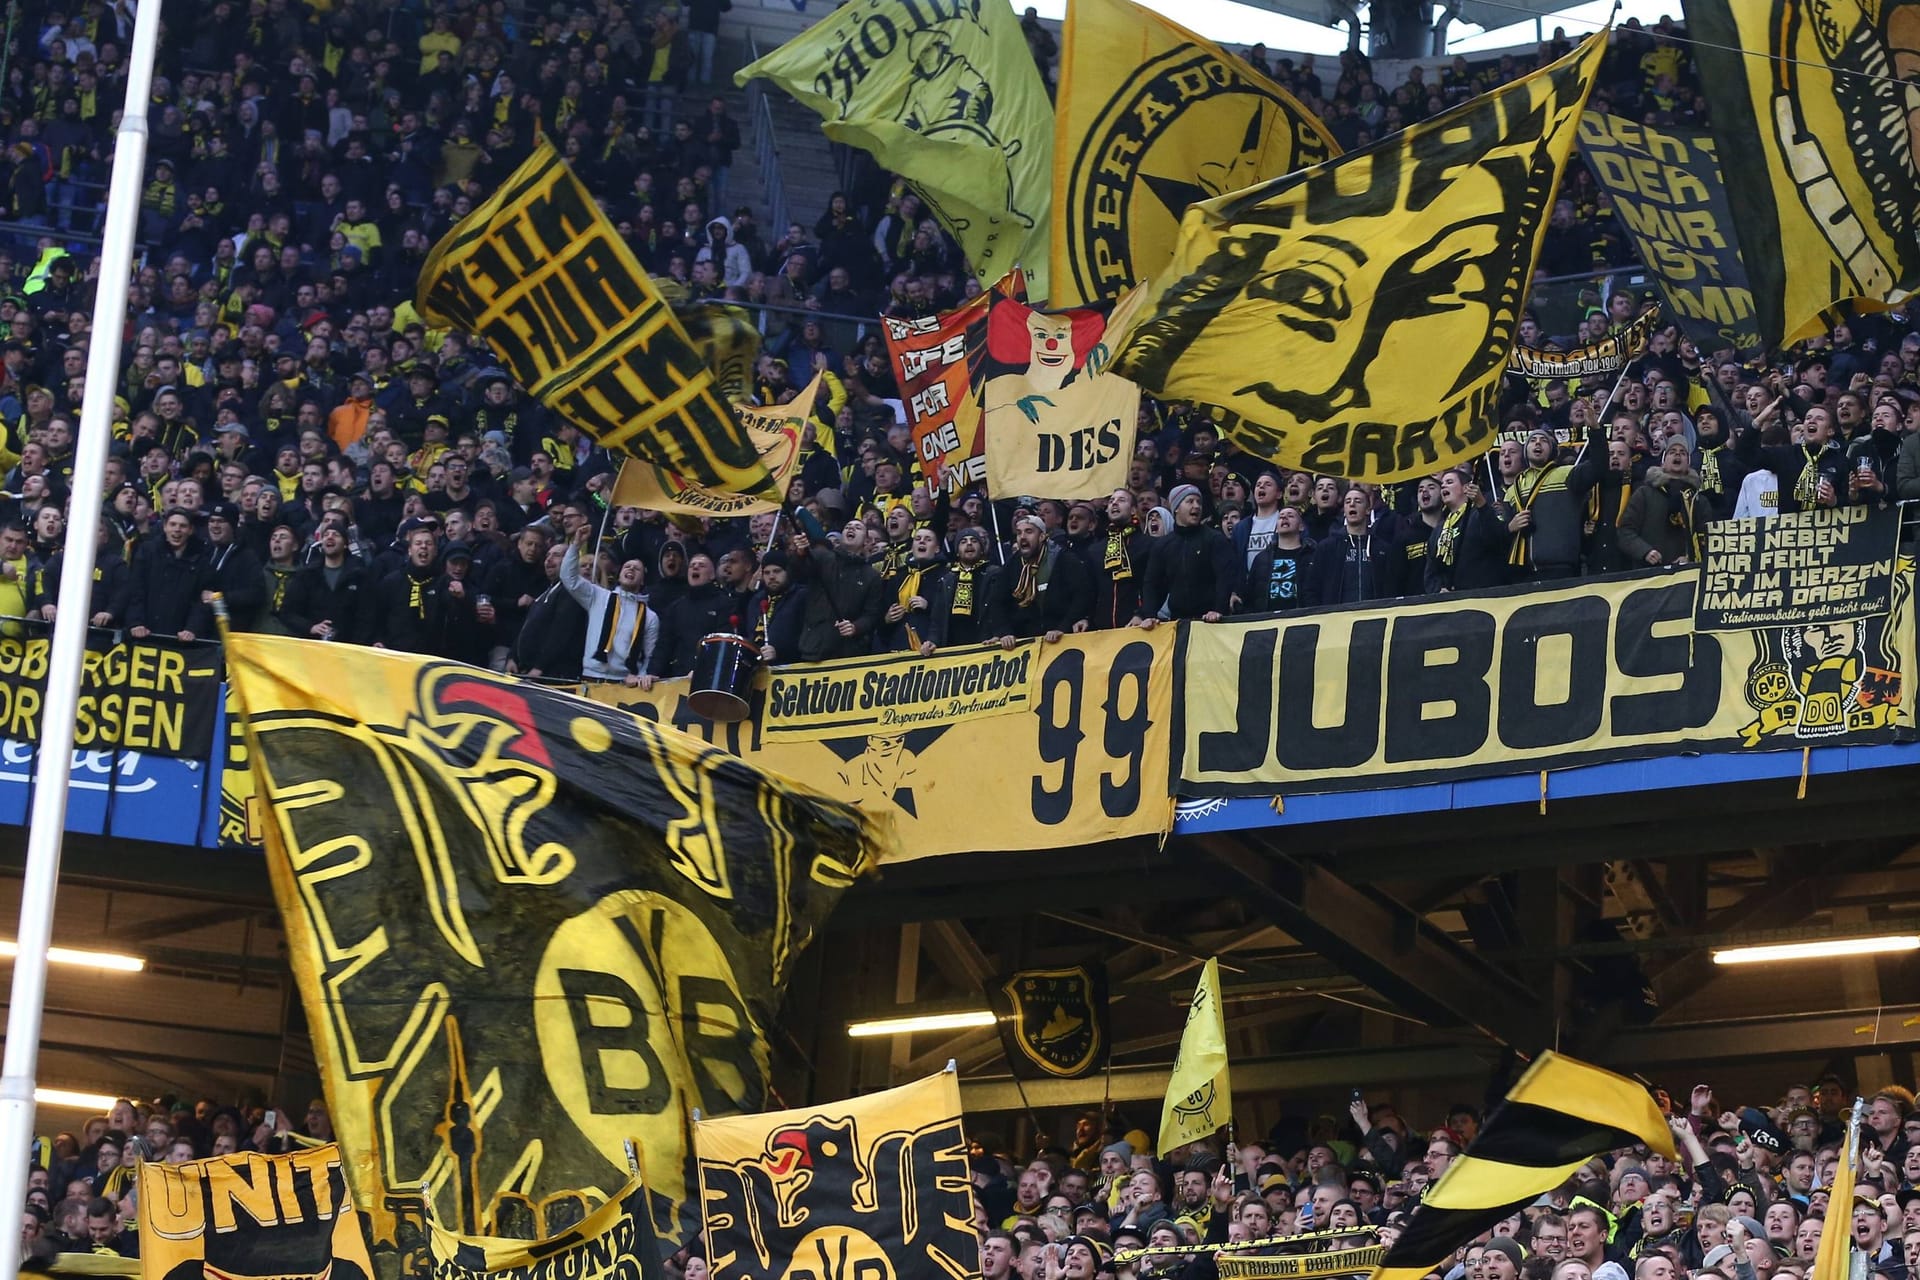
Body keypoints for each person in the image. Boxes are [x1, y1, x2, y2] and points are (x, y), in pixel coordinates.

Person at [561, 524, 658, 685]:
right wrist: (576, 545)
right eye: (627, 566)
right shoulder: (598, 596)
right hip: (590, 679)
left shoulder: (650, 617)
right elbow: (569, 578)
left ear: (642, 581)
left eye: (637, 569)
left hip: (623, 684)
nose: (631, 569)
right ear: (619, 575)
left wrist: (641, 676)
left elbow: (649, 655)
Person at [1134, 485, 1234, 625]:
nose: (1197, 506)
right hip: (1179, 622)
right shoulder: (1163, 545)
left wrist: (1218, 609)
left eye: (1199, 502)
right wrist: (1148, 615)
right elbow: (1153, 584)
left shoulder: (1214, 539)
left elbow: (1224, 579)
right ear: (1176, 508)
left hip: (1211, 622)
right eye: (1190, 501)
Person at [991, 511, 1093, 643]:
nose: (1022, 537)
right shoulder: (1011, 565)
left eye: (1029, 531)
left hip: (1062, 639)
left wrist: (1063, 628)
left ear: (1042, 536)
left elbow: (1082, 595)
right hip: (1027, 642)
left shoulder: (1063, 559)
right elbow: (997, 602)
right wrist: (1004, 632)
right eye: (1019, 533)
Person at [795, 521, 887, 661]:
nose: (851, 528)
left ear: (866, 541)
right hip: (814, 648)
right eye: (847, 526)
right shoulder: (822, 558)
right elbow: (797, 572)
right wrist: (801, 553)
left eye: (858, 527)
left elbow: (872, 615)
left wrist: (855, 627)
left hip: (847, 652)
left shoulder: (872, 576)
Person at [1618, 438, 1715, 568]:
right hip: (1648, 574)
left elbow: (1708, 538)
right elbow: (1625, 531)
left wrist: (1691, 558)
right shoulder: (1644, 493)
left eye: (1683, 452)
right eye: (1672, 452)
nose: (1677, 454)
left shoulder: (1698, 500)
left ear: (1688, 464)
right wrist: (1645, 551)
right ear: (1662, 462)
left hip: (1686, 575)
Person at [126, 508, 212, 641]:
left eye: (183, 526)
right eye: (173, 524)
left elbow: (201, 600)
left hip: (180, 639)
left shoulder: (202, 559)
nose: (177, 529)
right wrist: (136, 623)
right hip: (143, 633)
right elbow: (136, 590)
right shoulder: (147, 551)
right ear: (165, 527)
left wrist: (192, 629)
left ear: (190, 530)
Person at [1303, 487, 1393, 607]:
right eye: (1348, 501)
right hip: (1337, 620)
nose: (1352, 504)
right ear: (1344, 510)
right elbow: (1312, 588)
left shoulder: (1382, 549)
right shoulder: (1327, 547)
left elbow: (1391, 589)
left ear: (1367, 509)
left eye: (1358, 501)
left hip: (1374, 618)